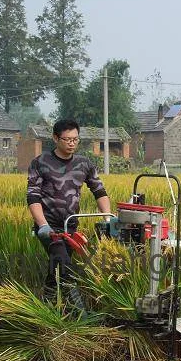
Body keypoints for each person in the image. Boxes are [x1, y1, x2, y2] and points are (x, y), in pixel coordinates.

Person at [26, 119, 111, 311]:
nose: (72, 143)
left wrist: (108, 218)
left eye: (75, 139)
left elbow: (99, 191)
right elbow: (33, 196)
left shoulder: (84, 164)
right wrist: (42, 225)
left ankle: (45, 308)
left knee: (57, 266)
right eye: (67, 139)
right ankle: (79, 314)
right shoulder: (40, 163)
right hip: (49, 228)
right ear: (55, 138)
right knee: (64, 265)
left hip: (70, 226)